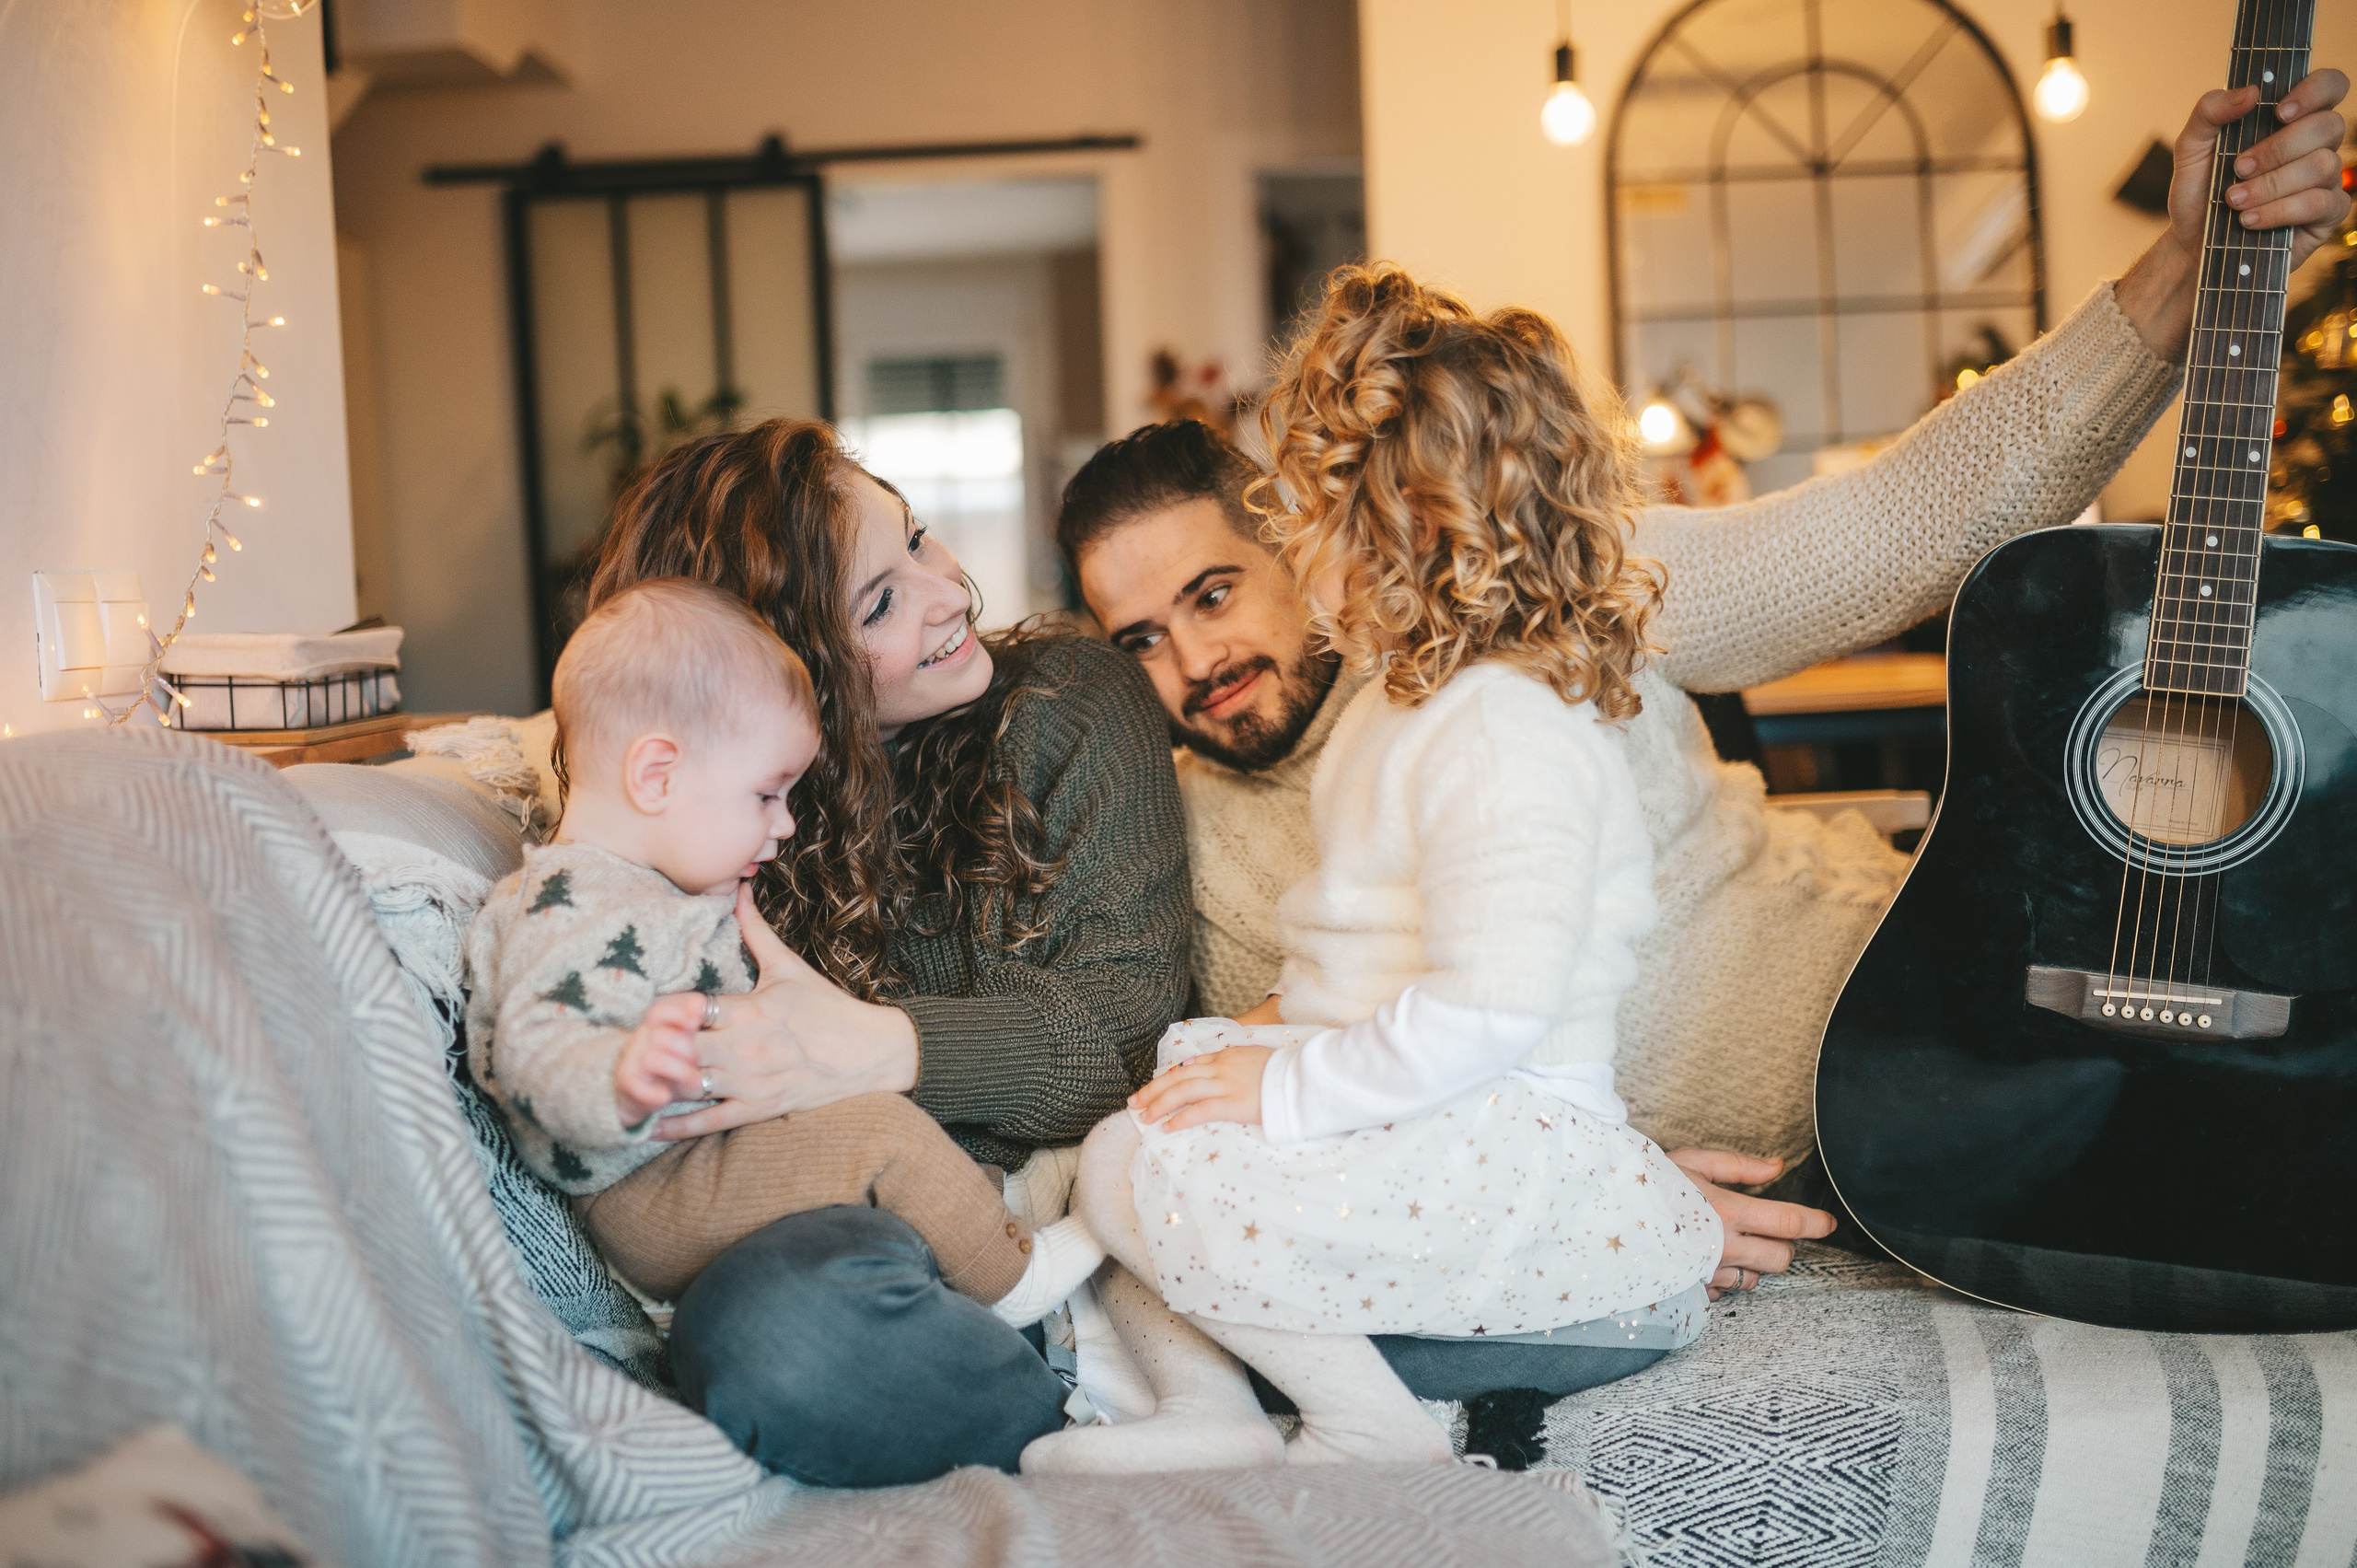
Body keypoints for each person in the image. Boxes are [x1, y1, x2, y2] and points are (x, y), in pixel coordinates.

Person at [1057, 71, 2353, 1296]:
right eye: (1141, 638)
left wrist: (2184, 275)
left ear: (1300, 533)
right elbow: (1342, 1087)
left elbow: (1904, 523)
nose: (1196, 660)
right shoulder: (1197, 842)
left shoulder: (1559, 592)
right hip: (1822, 1165)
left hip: (1931, 998)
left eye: (1212, 592)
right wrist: (1600, 1199)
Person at [1028, 263, 1725, 1475]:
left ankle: (1367, 1425)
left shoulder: (1508, 726)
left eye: (1312, 517)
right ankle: (1207, 1408)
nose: (1294, 543)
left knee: (1164, 1167)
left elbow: (1494, 1005)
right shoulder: (1400, 708)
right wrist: (1252, 1047)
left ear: (1417, 530)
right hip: (1432, 1096)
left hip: (1512, 1137)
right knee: (1152, 1115)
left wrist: (1286, 1093)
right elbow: (1366, 948)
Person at [578, 424, 1194, 1487]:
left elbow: (1127, 1034)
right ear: (778, 663)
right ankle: (1037, 1408)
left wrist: (877, 1048)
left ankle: (1094, 1394)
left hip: (1084, 1230)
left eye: (918, 540)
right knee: (768, 1330)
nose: (948, 591)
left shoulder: (1072, 704)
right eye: (879, 603)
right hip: (870, 1248)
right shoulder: (712, 823)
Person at [465, 578, 1103, 1328]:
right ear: (656, 775)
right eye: (767, 795)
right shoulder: (576, 903)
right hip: (651, 1191)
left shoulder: (650, 884)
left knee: (857, 1101)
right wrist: (622, 1076)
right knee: (880, 1137)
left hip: (699, 1159)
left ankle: (981, 1213)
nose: (786, 824)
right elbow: (533, 1049)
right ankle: (1016, 1280)